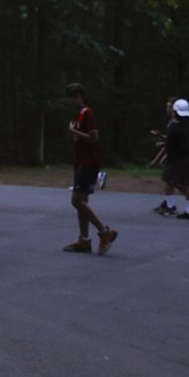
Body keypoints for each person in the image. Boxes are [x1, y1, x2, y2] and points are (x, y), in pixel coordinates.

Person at [63, 83, 116, 254]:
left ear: (78, 96)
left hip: (89, 162)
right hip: (81, 161)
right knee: (82, 202)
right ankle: (84, 240)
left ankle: (104, 232)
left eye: (70, 97)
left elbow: (94, 138)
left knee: (76, 201)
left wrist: (74, 132)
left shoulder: (88, 113)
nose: (68, 101)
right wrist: (75, 133)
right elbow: (79, 139)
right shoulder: (79, 116)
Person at [155, 98, 189, 218]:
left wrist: (167, 157)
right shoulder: (188, 126)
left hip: (178, 160)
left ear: (175, 111)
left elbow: (170, 145)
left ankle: (170, 206)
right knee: (183, 183)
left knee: (169, 180)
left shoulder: (174, 126)